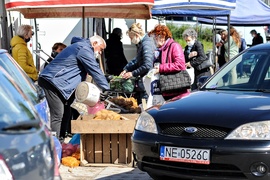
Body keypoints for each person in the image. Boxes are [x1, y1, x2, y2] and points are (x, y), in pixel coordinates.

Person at [38, 35, 110, 141]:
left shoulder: (81, 47)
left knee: (67, 112)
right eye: (101, 49)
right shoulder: (84, 48)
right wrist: (106, 88)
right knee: (58, 114)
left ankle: (61, 141)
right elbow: (94, 69)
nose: (100, 53)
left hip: (60, 85)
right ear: (94, 44)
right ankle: (53, 144)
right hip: (52, 82)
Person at [148, 24, 190, 101]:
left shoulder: (174, 46)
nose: (155, 40)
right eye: (154, 38)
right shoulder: (160, 49)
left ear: (163, 37)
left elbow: (180, 64)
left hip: (177, 90)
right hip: (167, 89)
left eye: (156, 37)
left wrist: (161, 68)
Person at [120, 22, 155, 105]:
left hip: (148, 80)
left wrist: (132, 73)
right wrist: (127, 69)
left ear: (136, 35)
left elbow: (147, 65)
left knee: (145, 106)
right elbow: (138, 61)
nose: (131, 40)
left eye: (131, 37)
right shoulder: (142, 43)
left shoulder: (146, 44)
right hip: (145, 80)